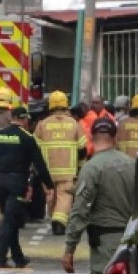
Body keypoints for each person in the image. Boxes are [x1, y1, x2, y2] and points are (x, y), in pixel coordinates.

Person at [61, 117, 136, 274]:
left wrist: (70, 248)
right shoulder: (132, 164)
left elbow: (80, 211)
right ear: (115, 137)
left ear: (91, 137)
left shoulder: (92, 168)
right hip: (133, 238)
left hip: (105, 242)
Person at [0, 97, 55, 268]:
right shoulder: (27, 138)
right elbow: (39, 164)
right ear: (24, 119)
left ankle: (18, 257)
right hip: (17, 183)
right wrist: (49, 185)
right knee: (9, 221)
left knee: (10, 219)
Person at [34, 90, 87, 236]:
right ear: (66, 106)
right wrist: (81, 167)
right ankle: (59, 222)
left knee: (50, 196)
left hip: (47, 171)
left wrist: (36, 169)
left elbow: (35, 149)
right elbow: (83, 149)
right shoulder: (74, 124)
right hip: (68, 171)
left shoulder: (42, 125)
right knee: (64, 196)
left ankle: (54, 218)